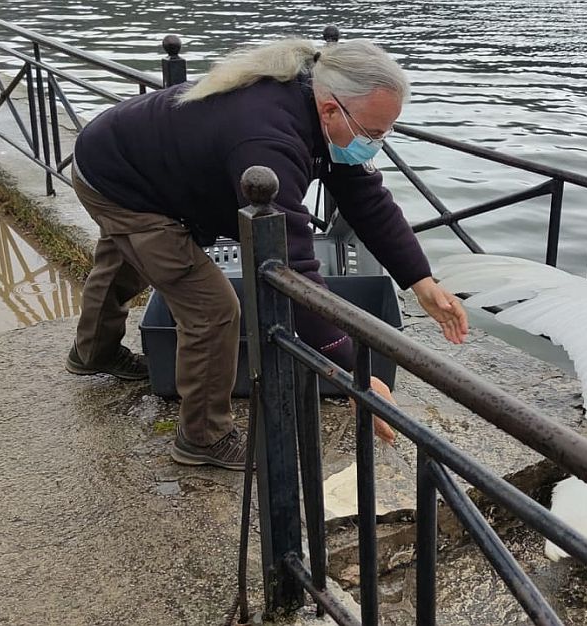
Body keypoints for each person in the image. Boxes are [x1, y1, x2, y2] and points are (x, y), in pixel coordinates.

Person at [65, 37, 469, 470]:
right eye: (373, 133)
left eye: (386, 132)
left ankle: (93, 353)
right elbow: (290, 270)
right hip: (118, 180)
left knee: (125, 260)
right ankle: (203, 437)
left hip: (126, 156)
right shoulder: (269, 139)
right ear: (332, 109)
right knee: (213, 310)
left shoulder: (320, 108)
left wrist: (421, 280)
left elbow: (367, 201)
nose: (378, 143)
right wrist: (354, 372)